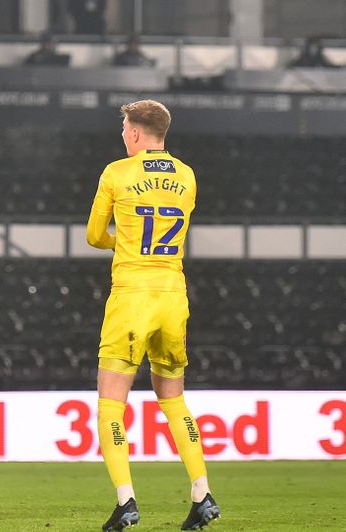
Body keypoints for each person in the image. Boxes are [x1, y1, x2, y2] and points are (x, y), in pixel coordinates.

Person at [86, 100, 221, 531]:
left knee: (111, 406)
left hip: (132, 296)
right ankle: (202, 493)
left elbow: (93, 236)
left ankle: (126, 501)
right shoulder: (187, 175)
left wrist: (121, 242)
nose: (123, 133)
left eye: (125, 127)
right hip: (173, 294)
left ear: (136, 133)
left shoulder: (116, 173)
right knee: (173, 397)